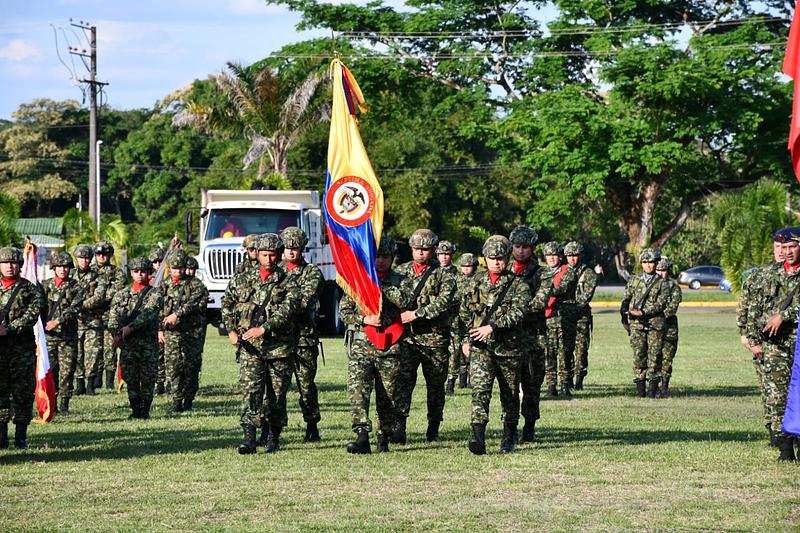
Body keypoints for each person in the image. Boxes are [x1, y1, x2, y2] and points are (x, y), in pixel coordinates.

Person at [339, 237, 412, 453]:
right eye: (377, 257)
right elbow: (344, 311)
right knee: (358, 391)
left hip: (390, 346)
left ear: (392, 258)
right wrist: (364, 320)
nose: (380, 261)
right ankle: (362, 434)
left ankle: (383, 437)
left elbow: (406, 302)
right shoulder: (358, 280)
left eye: (385, 257)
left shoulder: (401, 280)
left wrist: (383, 286)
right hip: (362, 345)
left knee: (388, 395)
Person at [460, 236, 531, 454]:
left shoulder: (518, 284)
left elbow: (519, 313)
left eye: (500, 258)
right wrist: (465, 339)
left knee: (509, 395)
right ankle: (478, 437)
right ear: (485, 259)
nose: (496, 262)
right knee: (480, 391)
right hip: (482, 349)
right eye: (492, 258)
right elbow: (464, 313)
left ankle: (509, 435)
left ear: (507, 258)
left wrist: (493, 326)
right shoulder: (474, 282)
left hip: (509, 348)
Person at [235, 233, 299, 454]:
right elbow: (228, 303)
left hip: (279, 348)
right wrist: (232, 332)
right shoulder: (243, 278)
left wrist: (264, 328)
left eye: (273, 255)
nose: (269, 259)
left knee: (277, 394)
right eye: (264, 255)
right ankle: (249, 438)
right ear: (257, 255)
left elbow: (287, 310)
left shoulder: (289, 280)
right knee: (251, 391)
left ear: (279, 255)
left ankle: (273, 436)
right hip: (251, 349)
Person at [395, 229, 457, 443]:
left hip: (434, 338)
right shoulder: (400, 272)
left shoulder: (444, 274)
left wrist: (416, 314)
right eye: (417, 249)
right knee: (403, 383)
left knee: (436, 386)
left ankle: (433, 428)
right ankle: (399, 426)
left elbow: (443, 302)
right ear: (411, 249)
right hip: (407, 339)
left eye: (426, 249)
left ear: (433, 250)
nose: (421, 253)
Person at [746, 229, 800, 461]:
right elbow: (753, 309)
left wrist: (784, 316)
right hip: (774, 346)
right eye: (783, 248)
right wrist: (754, 338)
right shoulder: (766, 275)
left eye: (792, 247)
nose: (787, 252)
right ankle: (785, 449)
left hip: (798, 343)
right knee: (777, 396)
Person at [737, 230, 785, 444]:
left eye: (787, 248)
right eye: (778, 248)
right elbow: (747, 308)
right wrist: (747, 335)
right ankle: (774, 431)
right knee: (769, 388)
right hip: (766, 342)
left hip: (791, 340)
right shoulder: (761, 275)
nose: (782, 252)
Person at [279, 226, 325, 442]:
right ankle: (274, 428)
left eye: (295, 248)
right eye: (287, 247)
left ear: (302, 249)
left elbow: (304, 302)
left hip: (303, 338)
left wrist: (280, 308)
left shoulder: (312, 272)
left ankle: (312, 425)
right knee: (277, 386)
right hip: (279, 338)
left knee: (306, 385)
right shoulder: (276, 271)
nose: (290, 252)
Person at [0, 246, 45, 448]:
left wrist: (7, 329)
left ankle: (20, 437)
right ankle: (1, 437)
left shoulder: (30, 289)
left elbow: (32, 315)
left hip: (21, 351)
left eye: (14, 262)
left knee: (22, 393)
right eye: (5, 262)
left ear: (20, 265)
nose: (10, 266)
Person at [508, 225, 549, 442]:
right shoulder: (503, 270)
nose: (521, 251)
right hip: (509, 337)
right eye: (517, 246)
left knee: (532, 385)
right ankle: (511, 427)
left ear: (533, 248)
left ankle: (529, 426)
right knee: (510, 385)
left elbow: (539, 303)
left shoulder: (542, 274)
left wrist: (512, 311)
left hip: (533, 336)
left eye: (526, 247)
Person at [109, 257, 163, 419]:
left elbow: (148, 313)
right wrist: (116, 334)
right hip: (128, 345)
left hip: (147, 344)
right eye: (136, 271)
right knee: (130, 378)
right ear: (131, 273)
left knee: (147, 378)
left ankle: (145, 411)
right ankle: (135, 410)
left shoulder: (155, 293)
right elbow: (113, 316)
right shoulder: (121, 294)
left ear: (149, 273)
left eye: (143, 271)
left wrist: (129, 328)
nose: (140, 274)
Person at [159, 249, 207, 413]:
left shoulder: (195, 284)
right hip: (172, 334)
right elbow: (158, 308)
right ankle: (176, 400)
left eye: (181, 268)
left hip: (191, 332)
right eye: (174, 268)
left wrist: (176, 314)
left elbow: (195, 302)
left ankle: (188, 399)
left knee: (191, 367)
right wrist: (160, 329)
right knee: (173, 366)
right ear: (169, 268)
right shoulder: (164, 285)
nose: (178, 271)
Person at [620, 248, 669, 398]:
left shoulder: (662, 283)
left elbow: (661, 303)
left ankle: (652, 391)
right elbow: (626, 298)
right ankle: (640, 391)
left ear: (656, 263)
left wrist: (643, 312)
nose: (648, 265)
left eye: (651, 262)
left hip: (655, 325)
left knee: (654, 357)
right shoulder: (634, 281)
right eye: (645, 262)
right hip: (637, 325)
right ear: (641, 263)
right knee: (639, 356)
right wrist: (624, 314)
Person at [42, 252, 84, 415]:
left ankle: (64, 404)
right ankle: (51, 403)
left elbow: (75, 308)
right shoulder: (45, 286)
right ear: (54, 267)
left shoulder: (76, 286)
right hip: (49, 337)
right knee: (50, 371)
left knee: (67, 371)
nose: (63, 270)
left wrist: (58, 321)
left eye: (66, 267)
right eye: (60, 266)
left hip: (67, 336)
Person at [542, 241, 578, 397]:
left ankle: (564, 384)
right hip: (547, 319)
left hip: (564, 318)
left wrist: (541, 292)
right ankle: (551, 385)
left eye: (554, 255)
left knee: (565, 351)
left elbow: (560, 289)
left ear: (560, 256)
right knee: (548, 352)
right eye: (548, 255)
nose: (551, 258)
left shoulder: (568, 272)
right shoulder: (541, 274)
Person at [562, 241, 598, 391]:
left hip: (581, 316)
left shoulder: (588, 273)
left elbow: (586, 296)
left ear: (580, 256)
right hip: (564, 316)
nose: (572, 259)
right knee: (565, 348)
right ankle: (567, 379)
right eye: (569, 255)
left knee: (581, 349)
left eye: (575, 255)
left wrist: (569, 303)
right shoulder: (561, 272)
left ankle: (579, 379)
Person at [73, 244, 106, 396]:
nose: (84, 261)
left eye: (87, 258)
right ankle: (79, 384)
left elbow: (99, 297)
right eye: (81, 258)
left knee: (93, 352)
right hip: (74, 322)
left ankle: (91, 384)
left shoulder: (98, 276)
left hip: (93, 320)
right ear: (76, 258)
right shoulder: (70, 275)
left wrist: (79, 306)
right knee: (77, 353)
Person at [94, 241, 127, 391]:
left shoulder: (117, 272)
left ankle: (109, 381)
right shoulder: (89, 271)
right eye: (99, 254)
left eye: (105, 254)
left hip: (110, 316)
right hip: (92, 317)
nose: (102, 257)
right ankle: (95, 380)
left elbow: (116, 291)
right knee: (94, 348)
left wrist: (97, 298)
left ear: (110, 255)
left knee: (110, 348)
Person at [446, 252, 478, 395]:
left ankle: (469, 381)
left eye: (469, 266)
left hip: (472, 321)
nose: (465, 269)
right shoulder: (455, 280)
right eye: (463, 266)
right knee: (455, 353)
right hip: (455, 322)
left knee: (471, 351)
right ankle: (451, 384)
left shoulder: (479, 281)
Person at [655, 257, 681, 396]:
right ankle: (652, 386)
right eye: (658, 270)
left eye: (663, 270)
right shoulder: (650, 287)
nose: (660, 273)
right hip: (652, 329)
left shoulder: (673, 287)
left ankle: (664, 386)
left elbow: (672, 307)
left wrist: (657, 317)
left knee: (666, 358)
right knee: (652, 357)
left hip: (668, 328)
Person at [149, 245, 168, 396]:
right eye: (155, 262)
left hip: (168, 319)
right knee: (158, 354)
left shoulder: (169, 279)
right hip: (153, 321)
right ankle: (159, 382)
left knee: (171, 354)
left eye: (160, 261)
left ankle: (170, 382)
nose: (158, 265)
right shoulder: (148, 280)